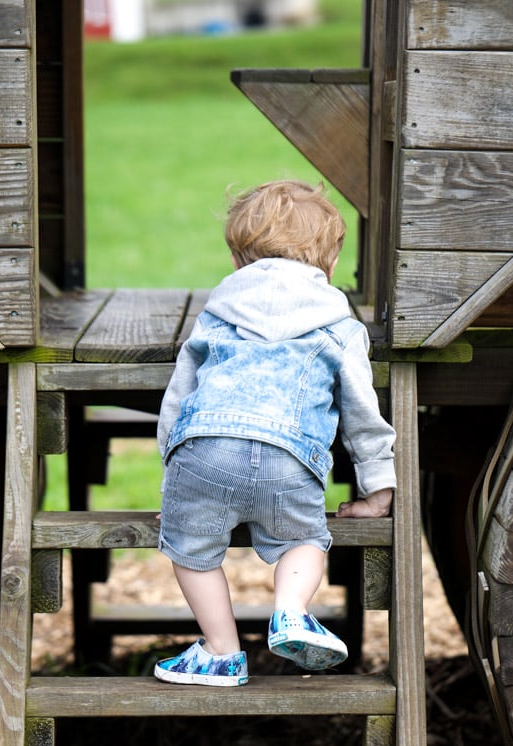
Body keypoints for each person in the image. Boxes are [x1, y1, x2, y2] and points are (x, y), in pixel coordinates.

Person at [154, 180, 396, 687]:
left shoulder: (217, 313)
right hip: (290, 460)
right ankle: (290, 611)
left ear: (239, 261)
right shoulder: (340, 326)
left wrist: (171, 467)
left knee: (190, 551)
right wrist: (378, 488)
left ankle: (220, 651)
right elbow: (361, 412)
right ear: (327, 263)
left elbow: (178, 396)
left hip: (205, 452)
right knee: (305, 539)